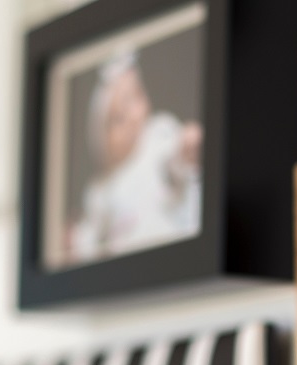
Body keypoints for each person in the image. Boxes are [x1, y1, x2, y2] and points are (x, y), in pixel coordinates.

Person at [67, 53, 203, 263]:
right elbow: (93, 235)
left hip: (168, 250)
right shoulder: (100, 188)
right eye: (119, 119)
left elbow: (172, 161)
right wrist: (75, 241)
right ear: (102, 140)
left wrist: (185, 149)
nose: (131, 118)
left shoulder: (156, 137)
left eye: (136, 97)